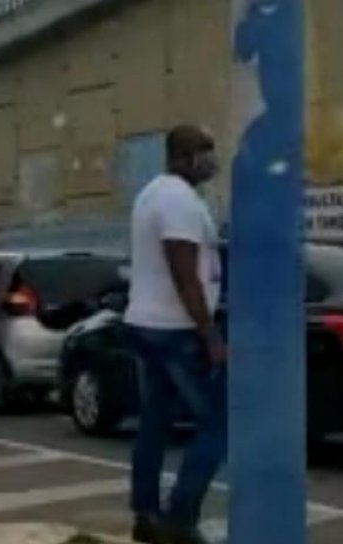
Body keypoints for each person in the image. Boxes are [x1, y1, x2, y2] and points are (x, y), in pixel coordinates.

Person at [125, 125, 225, 544]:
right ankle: (180, 519)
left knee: (155, 422)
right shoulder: (179, 201)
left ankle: (146, 515)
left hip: (146, 323)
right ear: (182, 156)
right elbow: (185, 275)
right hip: (175, 330)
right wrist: (210, 337)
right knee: (218, 423)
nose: (211, 160)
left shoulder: (151, 194)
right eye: (204, 152)